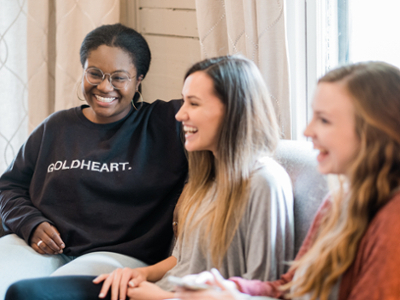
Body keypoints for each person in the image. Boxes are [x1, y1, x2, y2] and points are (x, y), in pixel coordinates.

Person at [5, 55, 294, 300]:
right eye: (183, 102)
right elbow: (180, 261)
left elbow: (262, 292)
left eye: (193, 104)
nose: (180, 115)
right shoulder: (205, 178)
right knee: (23, 292)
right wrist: (138, 274)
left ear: (233, 110)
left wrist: (163, 297)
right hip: (157, 289)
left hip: (166, 297)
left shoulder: (264, 182)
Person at [176, 61, 400, 300]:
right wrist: (231, 289)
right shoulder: (339, 201)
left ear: (373, 130)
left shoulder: (392, 219)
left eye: (324, 120)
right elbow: (290, 287)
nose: (307, 131)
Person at [0, 23, 188, 299]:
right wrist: (30, 223)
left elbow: (222, 104)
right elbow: (8, 187)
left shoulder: (165, 123)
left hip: (118, 256)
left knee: (38, 295)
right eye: (94, 74)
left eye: (119, 77)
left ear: (139, 79)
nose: (104, 86)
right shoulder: (56, 127)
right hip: (41, 247)